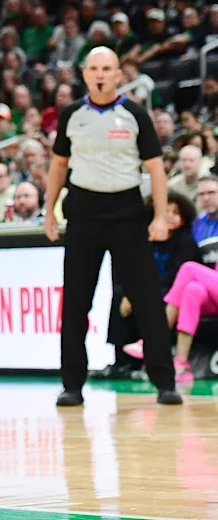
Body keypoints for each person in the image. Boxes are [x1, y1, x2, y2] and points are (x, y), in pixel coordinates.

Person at [44, 47, 182, 407]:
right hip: (84, 213)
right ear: (85, 74)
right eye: (94, 68)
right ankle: (72, 384)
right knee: (75, 302)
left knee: (147, 299)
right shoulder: (72, 115)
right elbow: (59, 166)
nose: (101, 74)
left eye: (107, 68)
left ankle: (165, 382)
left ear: (119, 74)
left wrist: (159, 215)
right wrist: (49, 212)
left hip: (128, 212)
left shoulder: (136, 114)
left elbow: (155, 169)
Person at [121, 193, 201, 382]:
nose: (171, 216)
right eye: (167, 212)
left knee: (183, 274)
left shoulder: (186, 241)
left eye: (176, 212)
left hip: (169, 290)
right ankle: (122, 361)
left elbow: (176, 276)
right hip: (174, 289)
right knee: (120, 295)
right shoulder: (144, 239)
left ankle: (150, 342)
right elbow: (132, 270)